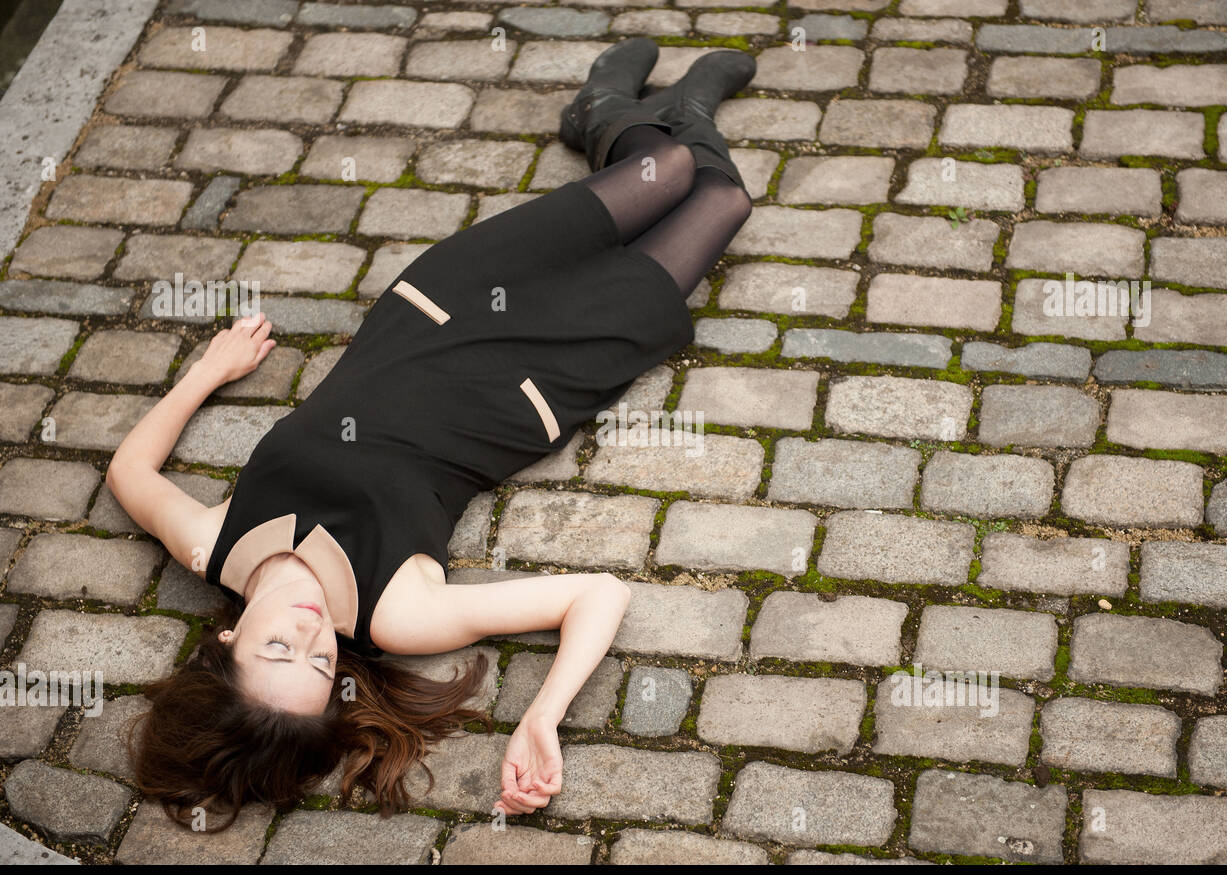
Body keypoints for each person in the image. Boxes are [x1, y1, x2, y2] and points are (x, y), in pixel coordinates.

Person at [108, 38, 757, 831]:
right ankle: (682, 109)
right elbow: (598, 595)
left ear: (228, 636)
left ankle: (603, 111)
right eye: (319, 664)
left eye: (278, 648)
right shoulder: (393, 614)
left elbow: (130, 472)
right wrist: (542, 716)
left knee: (672, 174)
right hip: (538, 378)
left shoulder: (213, 542)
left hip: (442, 304)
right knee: (723, 201)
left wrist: (208, 370)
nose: (310, 631)